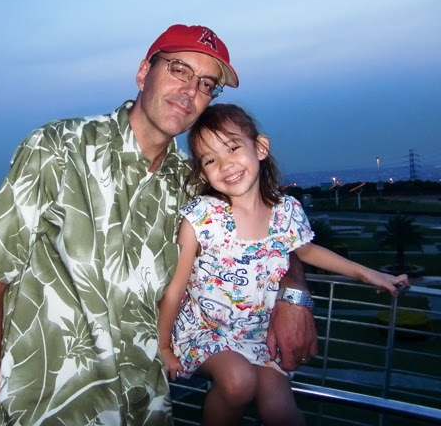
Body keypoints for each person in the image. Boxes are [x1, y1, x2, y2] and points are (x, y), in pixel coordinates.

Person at [0, 24, 317, 426]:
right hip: (49, 410)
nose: (190, 90)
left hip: (144, 409)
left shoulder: (194, 186)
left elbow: (268, 230)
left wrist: (294, 292)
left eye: (206, 84)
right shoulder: (59, 148)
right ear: (144, 73)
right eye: (179, 70)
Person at [157, 103, 410, 426]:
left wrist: (370, 275)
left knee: (281, 411)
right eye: (210, 159)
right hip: (206, 332)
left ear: (260, 148)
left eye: (233, 148)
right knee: (238, 382)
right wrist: (164, 346)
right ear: (203, 172)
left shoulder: (285, 211)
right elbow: (176, 288)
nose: (225, 164)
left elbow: (308, 251)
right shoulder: (202, 216)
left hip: (260, 336)